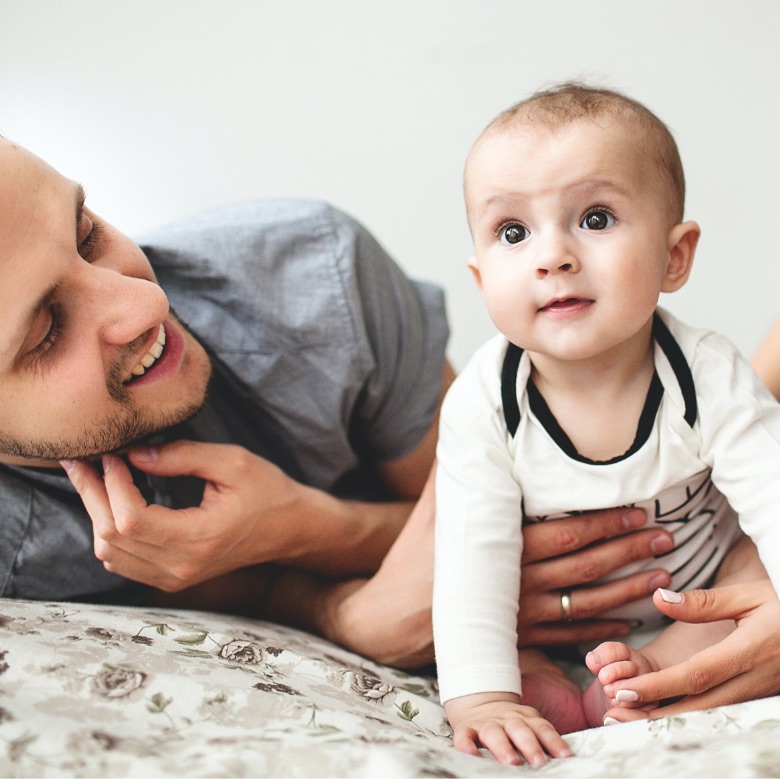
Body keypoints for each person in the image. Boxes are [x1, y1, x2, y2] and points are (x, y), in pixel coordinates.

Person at [0, 135, 777, 722]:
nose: (141, 303)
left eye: (89, 230)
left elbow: (492, 516)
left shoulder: (313, 280)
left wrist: (306, 529)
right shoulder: (17, 547)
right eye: (43, 333)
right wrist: (384, 637)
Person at [432, 82, 780, 767]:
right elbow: (471, 558)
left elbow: (773, 492)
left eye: (595, 218)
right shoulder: (484, 402)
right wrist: (481, 697)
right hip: (554, 620)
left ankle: (645, 676)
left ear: (674, 256)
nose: (552, 254)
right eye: (513, 232)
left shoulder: (706, 373)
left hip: (687, 597)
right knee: (503, 651)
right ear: (481, 279)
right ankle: (556, 684)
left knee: (746, 595)